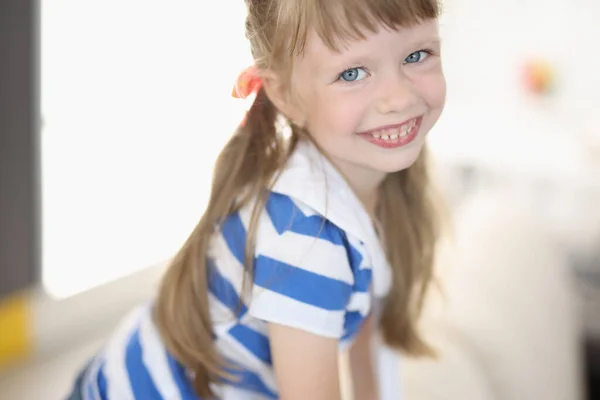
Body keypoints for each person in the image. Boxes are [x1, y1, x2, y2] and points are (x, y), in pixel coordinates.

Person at [68, 0, 446, 398]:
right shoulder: (307, 240)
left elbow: (365, 344)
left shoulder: (365, 187)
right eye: (352, 73)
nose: (398, 98)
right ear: (285, 94)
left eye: (416, 55)